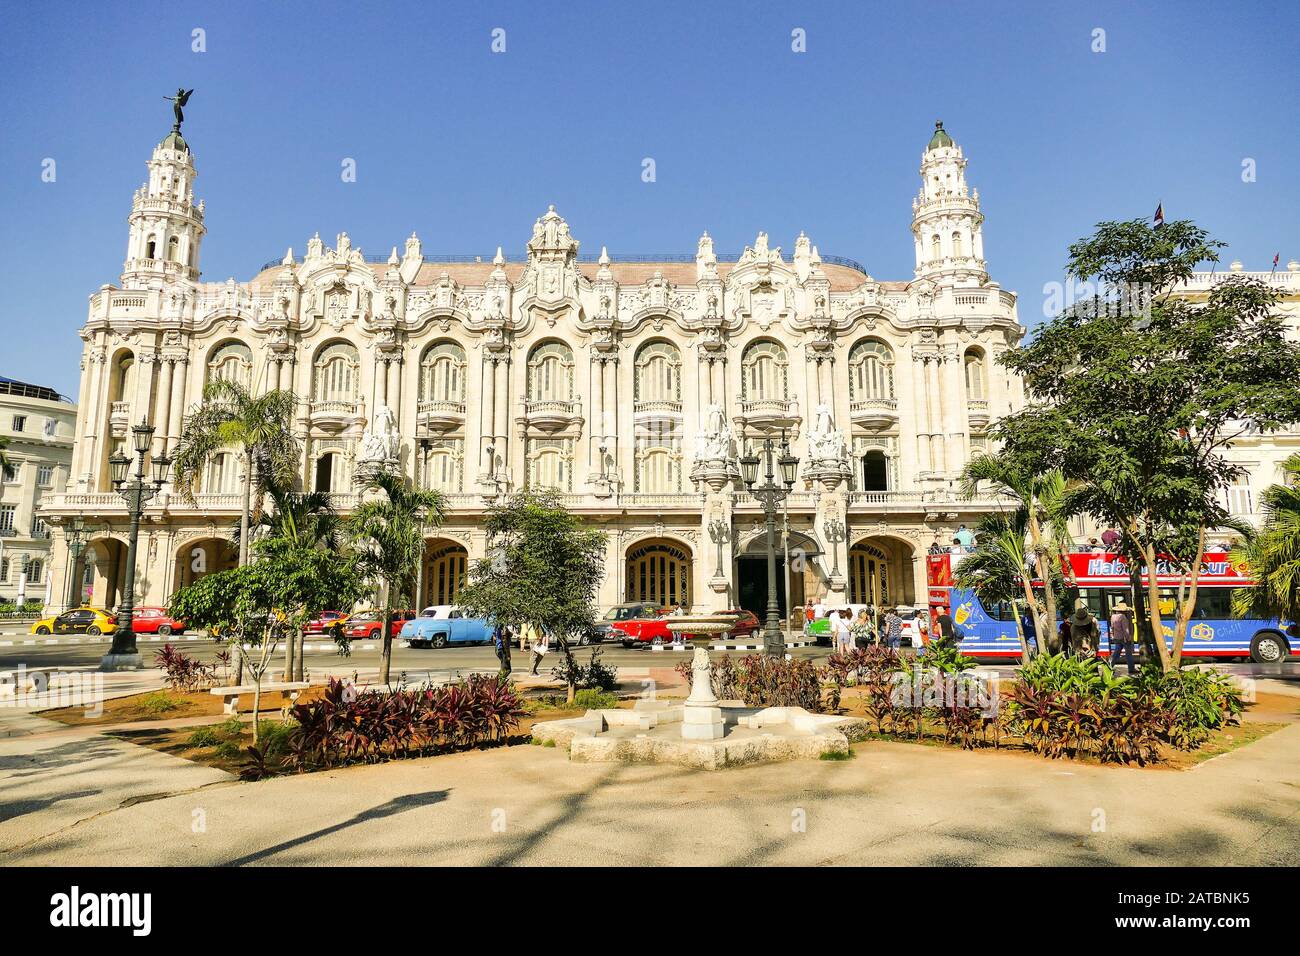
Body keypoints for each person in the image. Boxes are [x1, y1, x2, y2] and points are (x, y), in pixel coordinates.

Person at [1109, 600, 1137, 674]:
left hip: (1117, 637)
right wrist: (1128, 637)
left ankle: (1110, 666)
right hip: (1124, 638)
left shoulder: (1113, 616)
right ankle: (1131, 668)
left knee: (1116, 652)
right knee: (1128, 654)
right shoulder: (1123, 617)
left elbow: (1112, 627)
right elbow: (1125, 629)